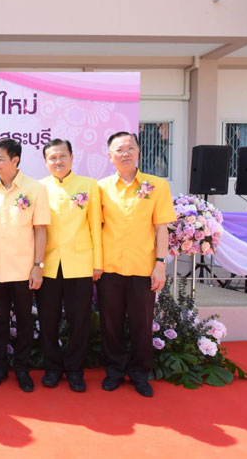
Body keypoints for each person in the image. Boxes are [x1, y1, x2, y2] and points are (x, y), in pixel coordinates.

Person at [98, 132, 176, 397]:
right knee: (110, 324)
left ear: (139, 151)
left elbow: (161, 228)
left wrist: (160, 264)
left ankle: (140, 373)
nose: (126, 153)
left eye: (130, 148)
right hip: (109, 268)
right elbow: (95, 228)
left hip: (143, 268)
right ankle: (114, 371)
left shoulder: (157, 185)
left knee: (142, 325)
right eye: (119, 150)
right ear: (110, 156)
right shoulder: (101, 188)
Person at [0, 138, 50, 392]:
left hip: (23, 270)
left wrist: (38, 265)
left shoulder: (35, 189)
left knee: (25, 322)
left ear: (15, 160)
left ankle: (22, 368)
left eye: (0, 159)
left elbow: (40, 230)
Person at [37, 139, 103, 392]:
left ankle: (75, 370)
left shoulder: (88, 185)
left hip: (80, 263)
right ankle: (52, 368)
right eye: (52, 158)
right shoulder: (39, 188)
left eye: (62, 156)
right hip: (48, 264)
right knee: (48, 320)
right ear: (46, 162)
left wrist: (97, 263)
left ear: (72, 157)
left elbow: (95, 226)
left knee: (80, 321)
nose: (58, 161)